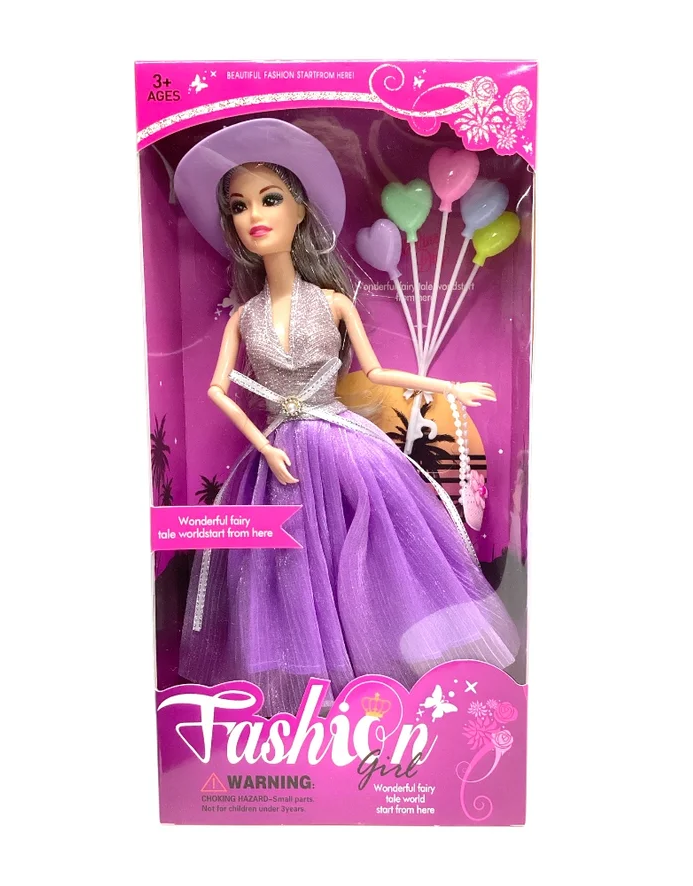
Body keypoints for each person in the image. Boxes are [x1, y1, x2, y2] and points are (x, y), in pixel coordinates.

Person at [174, 118, 519, 717]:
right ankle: (310, 704)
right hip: (278, 457)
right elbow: (216, 389)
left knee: (371, 556)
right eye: (239, 206)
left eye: (270, 199)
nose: (253, 215)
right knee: (285, 571)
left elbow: (377, 372)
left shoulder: (333, 303)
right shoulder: (243, 316)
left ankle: (384, 684)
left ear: (300, 211)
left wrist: (449, 387)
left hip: (342, 444)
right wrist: (265, 443)